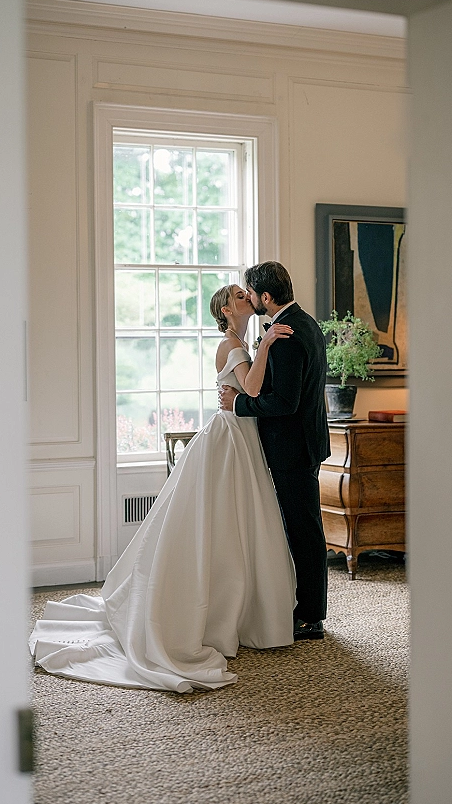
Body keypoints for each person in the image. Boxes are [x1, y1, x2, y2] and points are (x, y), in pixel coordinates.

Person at [29, 285, 296, 693]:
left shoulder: (243, 341)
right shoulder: (230, 346)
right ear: (227, 309)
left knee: (241, 522)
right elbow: (254, 390)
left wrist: (262, 346)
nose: (248, 298)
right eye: (241, 296)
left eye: (249, 294)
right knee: (221, 520)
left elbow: (250, 392)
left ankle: (243, 611)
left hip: (243, 436)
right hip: (228, 438)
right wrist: (265, 348)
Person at [219, 262, 330, 641]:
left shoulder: (284, 334)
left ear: (265, 297)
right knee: (302, 527)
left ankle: (311, 616)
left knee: (302, 529)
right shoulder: (308, 323)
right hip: (304, 442)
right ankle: (304, 607)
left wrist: (238, 406)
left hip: (291, 447)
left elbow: (283, 401)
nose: (248, 298)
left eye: (250, 292)